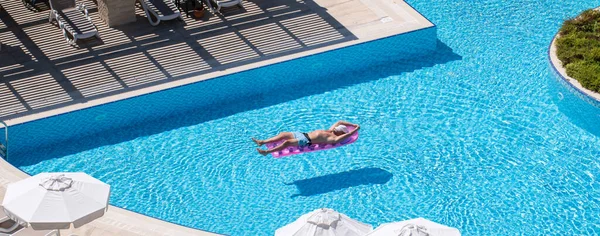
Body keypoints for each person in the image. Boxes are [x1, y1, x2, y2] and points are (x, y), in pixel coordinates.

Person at [252, 120, 360, 156]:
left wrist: (354, 131)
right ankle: (262, 142)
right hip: (303, 134)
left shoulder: (332, 138)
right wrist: (354, 125)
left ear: (340, 133)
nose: (336, 128)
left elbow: (345, 136)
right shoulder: (330, 130)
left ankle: (266, 152)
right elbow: (340, 121)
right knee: (283, 134)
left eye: (338, 129)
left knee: (287, 142)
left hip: (307, 141)